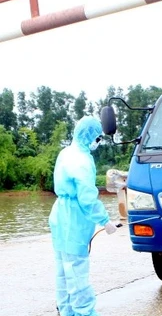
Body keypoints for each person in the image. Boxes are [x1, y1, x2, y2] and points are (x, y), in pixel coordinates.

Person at [49, 116, 117, 316]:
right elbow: (87, 198)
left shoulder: (66, 152)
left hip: (59, 214)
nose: (98, 142)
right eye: (97, 138)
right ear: (91, 136)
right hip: (73, 220)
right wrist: (105, 221)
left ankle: (65, 310)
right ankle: (84, 312)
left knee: (63, 269)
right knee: (77, 270)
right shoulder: (82, 160)